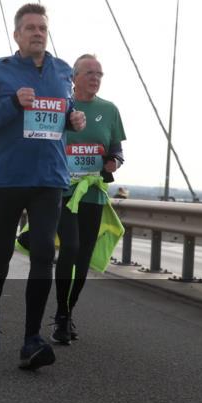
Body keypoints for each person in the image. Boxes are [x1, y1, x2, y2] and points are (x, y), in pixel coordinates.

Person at [0, 3, 85, 371]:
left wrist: (73, 119)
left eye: (42, 28)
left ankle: (31, 339)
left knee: (44, 253)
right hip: (8, 176)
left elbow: (62, 112)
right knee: (1, 253)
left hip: (49, 177)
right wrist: (12, 103)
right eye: (30, 28)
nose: (37, 33)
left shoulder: (62, 71)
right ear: (17, 35)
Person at [54, 54, 126, 345]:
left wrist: (114, 162)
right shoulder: (62, 106)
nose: (96, 78)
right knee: (69, 247)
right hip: (63, 192)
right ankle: (61, 314)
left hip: (93, 193)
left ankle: (68, 311)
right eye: (89, 73)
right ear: (74, 78)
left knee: (83, 257)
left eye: (99, 74)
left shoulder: (109, 110)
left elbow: (117, 149)